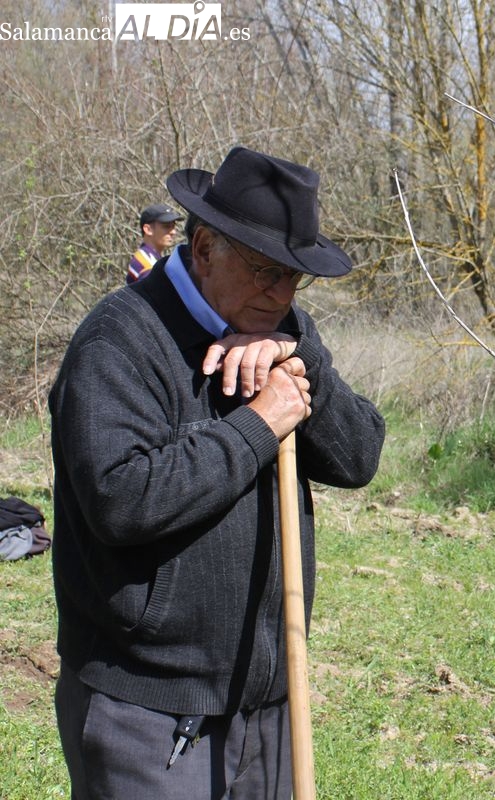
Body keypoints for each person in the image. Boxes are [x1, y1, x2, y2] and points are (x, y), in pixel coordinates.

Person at [50, 146, 386, 800]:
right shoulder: (120, 339)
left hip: (267, 700)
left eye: (295, 278)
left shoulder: (282, 326)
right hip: (148, 710)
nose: (281, 293)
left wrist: (303, 360)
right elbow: (121, 499)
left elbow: (358, 457)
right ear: (204, 249)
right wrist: (259, 424)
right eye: (266, 273)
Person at [128, 202, 184, 283]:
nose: (173, 232)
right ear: (148, 229)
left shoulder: (152, 258)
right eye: (167, 226)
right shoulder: (147, 264)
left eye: (173, 226)